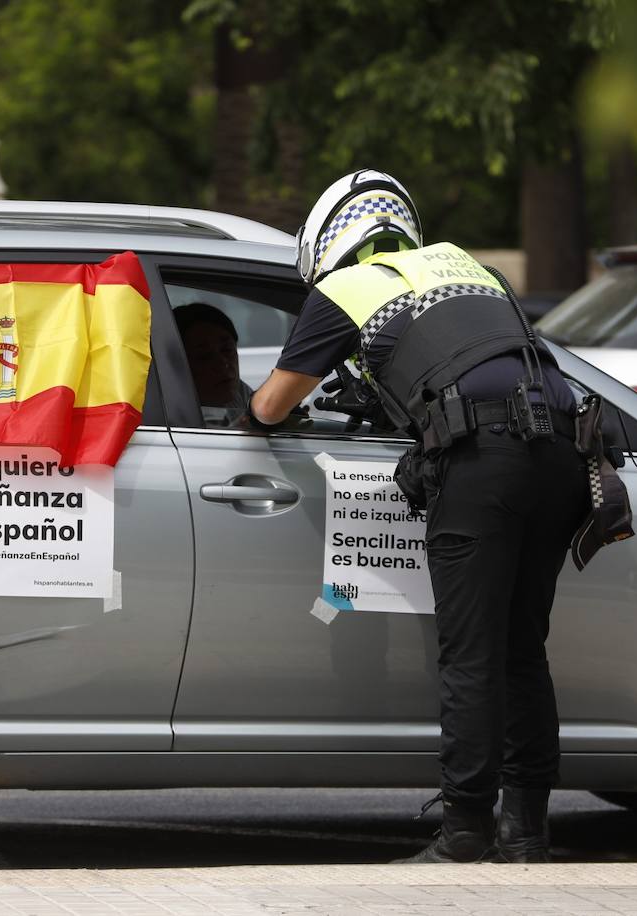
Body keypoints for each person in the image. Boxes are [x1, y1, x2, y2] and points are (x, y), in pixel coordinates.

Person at [251, 169, 589, 864]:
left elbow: (270, 407)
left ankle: (466, 830)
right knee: (523, 648)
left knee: (471, 651)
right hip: (565, 453)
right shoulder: (470, 266)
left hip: (483, 462)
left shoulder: (343, 290)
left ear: (329, 244)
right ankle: (527, 831)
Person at [174, 302, 255, 429]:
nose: (223, 363)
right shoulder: (169, 416)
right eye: (204, 356)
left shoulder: (239, 392)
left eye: (227, 349)